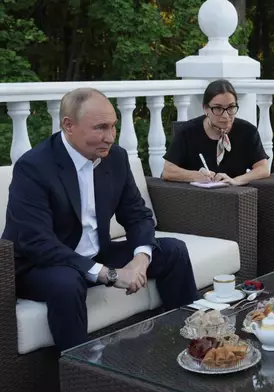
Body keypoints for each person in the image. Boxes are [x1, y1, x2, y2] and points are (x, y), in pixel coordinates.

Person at [2, 87, 199, 351]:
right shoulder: (33, 167)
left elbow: (138, 215)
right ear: (68, 125)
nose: (110, 137)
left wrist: (140, 260)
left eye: (113, 126)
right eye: (100, 128)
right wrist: (110, 274)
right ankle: (83, 369)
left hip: (97, 254)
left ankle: (189, 340)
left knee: (173, 250)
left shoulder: (115, 158)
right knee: (67, 283)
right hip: (40, 266)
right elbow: (37, 242)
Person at [161, 79, 270, 185]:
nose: (226, 115)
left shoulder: (247, 131)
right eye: (218, 108)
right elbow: (168, 171)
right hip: (194, 197)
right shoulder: (187, 131)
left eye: (231, 107)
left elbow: (263, 168)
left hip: (235, 197)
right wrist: (196, 176)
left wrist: (236, 180)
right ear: (205, 109)